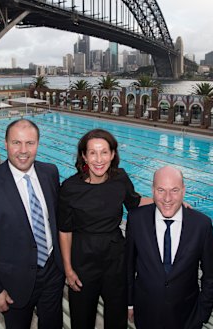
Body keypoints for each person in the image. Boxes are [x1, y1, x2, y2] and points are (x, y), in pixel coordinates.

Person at [0, 119, 64, 329]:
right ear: (6, 143)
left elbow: (55, 218)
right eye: (16, 142)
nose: (23, 150)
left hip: (52, 273)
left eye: (30, 143)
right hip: (13, 282)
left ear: (38, 144)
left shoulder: (50, 173)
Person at [57, 129, 153, 329]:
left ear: (112, 154)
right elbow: (65, 230)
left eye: (104, 152)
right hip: (83, 260)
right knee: (82, 320)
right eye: (92, 153)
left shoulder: (120, 179)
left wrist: (169, 201)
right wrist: (68, 269)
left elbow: (134, 202)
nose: (98, 159)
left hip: (115, 259)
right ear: (84, 156)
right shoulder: (70, 187)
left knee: (117, 320)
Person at [126, 166, 213, 329]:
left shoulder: (201, 225)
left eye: (174, 190)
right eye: (161, 190)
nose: (167, 198)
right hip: (146, 313)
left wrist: (203, 314)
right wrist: (130, 304)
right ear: (153, 190)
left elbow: (210, 275)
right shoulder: (136, 220)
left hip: (187, 317)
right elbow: (128, 266)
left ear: (183, 191)